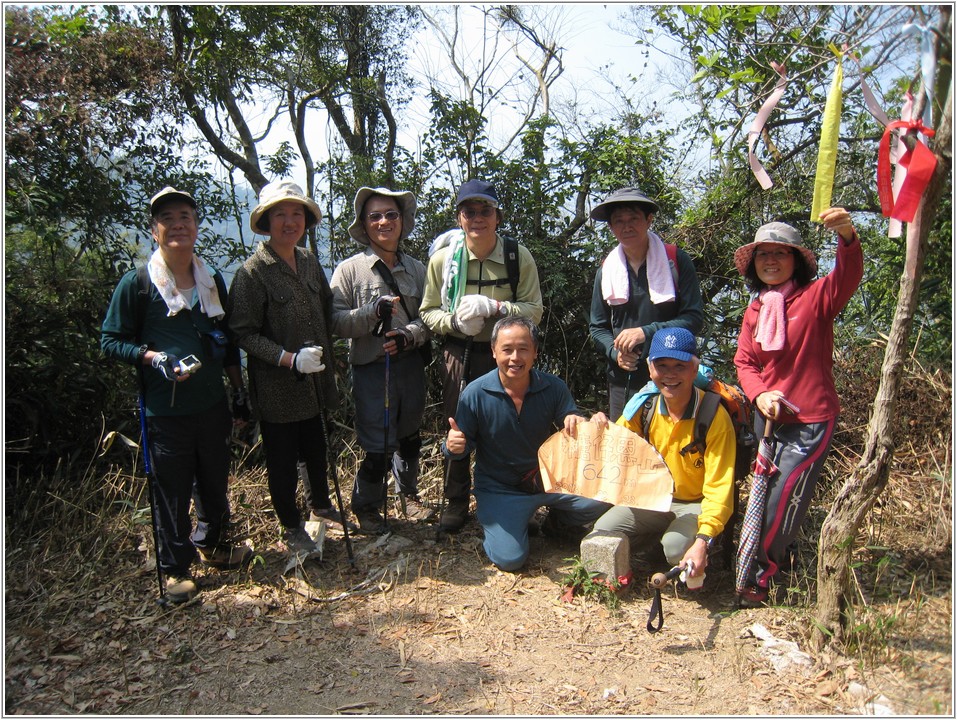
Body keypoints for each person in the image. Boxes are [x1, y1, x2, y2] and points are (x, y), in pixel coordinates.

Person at [101, 186, 252, 604]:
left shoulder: (211, 279)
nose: (178, 224)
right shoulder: (139, 285)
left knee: (214, 479)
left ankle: (215, 545)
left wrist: (238, 393)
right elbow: (110, 341)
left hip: (211, 403)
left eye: (185, 216)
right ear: (154, 231)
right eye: (168, 218)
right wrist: (152, 357)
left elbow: (226, 340)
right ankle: (175, 569)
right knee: (172, 489)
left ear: (197, 226)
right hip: (164, 411)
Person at [732, 207, 863, 606]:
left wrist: (847, 237)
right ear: (755, 264)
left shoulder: (817, 296)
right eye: (763, 255)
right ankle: (757, 565)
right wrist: (759, 394)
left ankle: (758, 578)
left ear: (796, 261)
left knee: (780, 499)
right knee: (760, 496)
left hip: (810, 419)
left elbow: (848, 275)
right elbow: (745, 362)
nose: (771, 261)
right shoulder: (755, 310)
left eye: (780, 253)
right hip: (768, 421)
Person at [420, 179, 544, 533]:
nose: (477, 218)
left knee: (511, 425)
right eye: (469, 211)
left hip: (507, 357)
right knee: (458, 424)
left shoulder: (515, 257)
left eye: (485, 210)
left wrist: (497, 306)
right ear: (459, 218)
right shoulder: (444, 261)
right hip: (459, 351)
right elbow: (428, 311)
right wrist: (453, 321)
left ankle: (519, 500)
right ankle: (457, 503)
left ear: (497, 216)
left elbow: (533, 310)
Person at [228, 180, 343, 553]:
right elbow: (242, 333)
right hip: (277, 386)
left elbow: (326, 311)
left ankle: (320, 505)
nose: (290, 221)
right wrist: (288, 358)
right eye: (281, 214)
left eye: (297, 213)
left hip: (315, 381)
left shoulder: (308, 261)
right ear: (266, 221)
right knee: (281, 459)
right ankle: (290, 524)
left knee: (316, 447)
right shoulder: (252, 273)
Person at [444, 316, 612, 572]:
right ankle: (512, 521)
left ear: (535, 352)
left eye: (523, 349)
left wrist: (582, 423)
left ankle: (557, 523)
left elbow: (572, 420)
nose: (515, 358)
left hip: (547, 479)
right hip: (501, 488)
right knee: (510, 559)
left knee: (605, 497)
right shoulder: (475, 393)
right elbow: (461, 446)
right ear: (493, 351)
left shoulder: (553, 387)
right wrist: (452, 447)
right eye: (507, 349)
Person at [590, 327, 735, 587]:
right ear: (649, 367)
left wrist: (704, 537)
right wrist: (598, 429)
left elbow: (719, 488)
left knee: (676, 550)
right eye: (662, 365)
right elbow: (615, 446)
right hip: (655, 499)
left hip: (695, 504)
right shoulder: (644, 406)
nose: (669, 374)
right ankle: (656, 543)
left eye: (680, 366)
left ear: (694, 368)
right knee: (604, 531)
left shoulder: (713, 416)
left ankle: (700, 546)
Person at [330, 187, 433, 534]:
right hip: (371, 369)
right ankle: (368, 505)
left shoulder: (418, 269)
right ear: (364, 224)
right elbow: (336, 320)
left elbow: (431, 317)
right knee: (378, 442)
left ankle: (409, 495)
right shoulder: (349, 271)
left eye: (391, 214)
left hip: (410, 366)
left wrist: (409, 336)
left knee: (410, 434)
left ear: (403, 221)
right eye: (375, 216)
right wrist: (370, 314)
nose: (384, 221)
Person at [588, 187, 704, 420]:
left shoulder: (675, 261)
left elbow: (694, 318)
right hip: (624, 379)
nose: (626, 226)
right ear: (611, 227)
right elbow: (597, 327)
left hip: (672, 377)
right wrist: (615, 353)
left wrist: (645, 333)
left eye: (633, 218)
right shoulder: (607, 271)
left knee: (672, 447)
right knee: (627, 448)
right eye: (619, 221)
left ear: (649, 220)